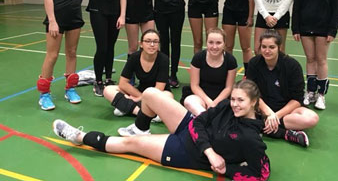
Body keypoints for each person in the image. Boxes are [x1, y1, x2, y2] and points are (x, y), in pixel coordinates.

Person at [53, 79, 271, 180]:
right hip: (194, 135)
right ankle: (140, 128)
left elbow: (261, 174)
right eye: (233, 99)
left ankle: (80, 137)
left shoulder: (251, 138)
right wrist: (211, 151)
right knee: (150, 94)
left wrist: (227, 169)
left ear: (254, 103)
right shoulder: (226, 106)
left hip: (187, 151)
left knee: (131, 145)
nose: (234, 104)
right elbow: (197, 123)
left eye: (240, 101)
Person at [37, 0, 88, 110]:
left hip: (74, 20)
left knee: (72, 53)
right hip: (56, 21)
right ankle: (44, 95)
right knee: (52, 56)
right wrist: (52, 20)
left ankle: (70, 89)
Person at [292, 0, 338, 110]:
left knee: (321, 60)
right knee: (310, 59)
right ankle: (310, 91)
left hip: (323, 28)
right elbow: (297, 6)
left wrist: (332, 29)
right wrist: (296, 28)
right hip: (306, 28)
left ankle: (321, 95)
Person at [247, 30, 319, 147]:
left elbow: (297, 99)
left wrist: (276, 116)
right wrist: (268, 112)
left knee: (311, 118)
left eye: (271, 47)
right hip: (260, 110)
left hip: (286, 111)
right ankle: (285, 133)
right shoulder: (254, 64)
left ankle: (262, 126)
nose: (267, 50)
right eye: (264, 47)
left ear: (279, 47)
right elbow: (251, 93)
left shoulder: (292, 66)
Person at [103, 29, 170, 117]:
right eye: (148, 41)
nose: (152, 45)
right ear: (141, 44)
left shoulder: (163, 59)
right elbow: (123, 83)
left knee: (168, 97)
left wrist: (140, 98)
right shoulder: (134, 57)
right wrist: (140, 96)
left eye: (155, 42)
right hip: (139, 91)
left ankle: (126, 107)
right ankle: (140, 113)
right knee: (108, 90)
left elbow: (159, 88)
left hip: (158, 94)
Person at [183, 28, 237, 116]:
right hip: (201, 97)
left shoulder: (230, 60)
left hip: (222, 98)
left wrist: (215, 103)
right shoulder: (198, 58)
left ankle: (203, 118)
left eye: (218, 43)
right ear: (206, 43)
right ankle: (207, 118)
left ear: (224, 44)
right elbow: (194, 85)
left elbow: (228, 88)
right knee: (189, 101)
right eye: (211, 42)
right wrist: (208, 102)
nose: (214, 47)